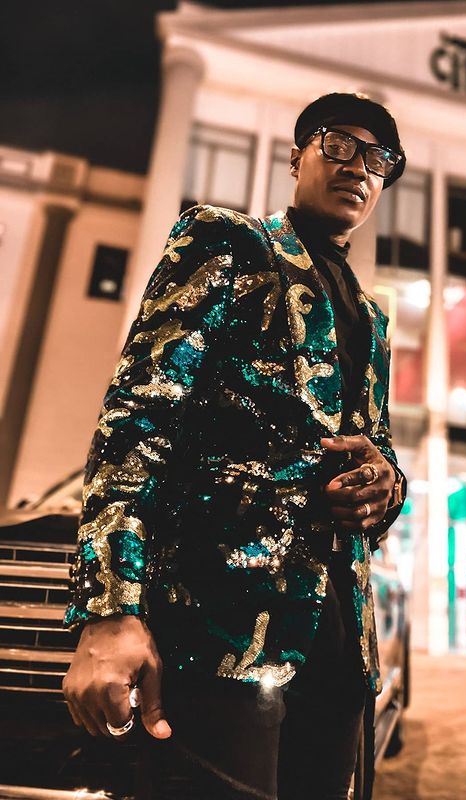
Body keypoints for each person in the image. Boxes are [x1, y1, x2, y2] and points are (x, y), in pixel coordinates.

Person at [62, 92, 408, 800]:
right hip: (219, 631)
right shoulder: (225, 241)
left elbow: (378, 449)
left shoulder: (373, 320)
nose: (358, 167)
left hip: (340, 648)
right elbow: (138, 419)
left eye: (378, 160)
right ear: (296, 158)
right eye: (339, 145)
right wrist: (110, 607)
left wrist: (388, 484)